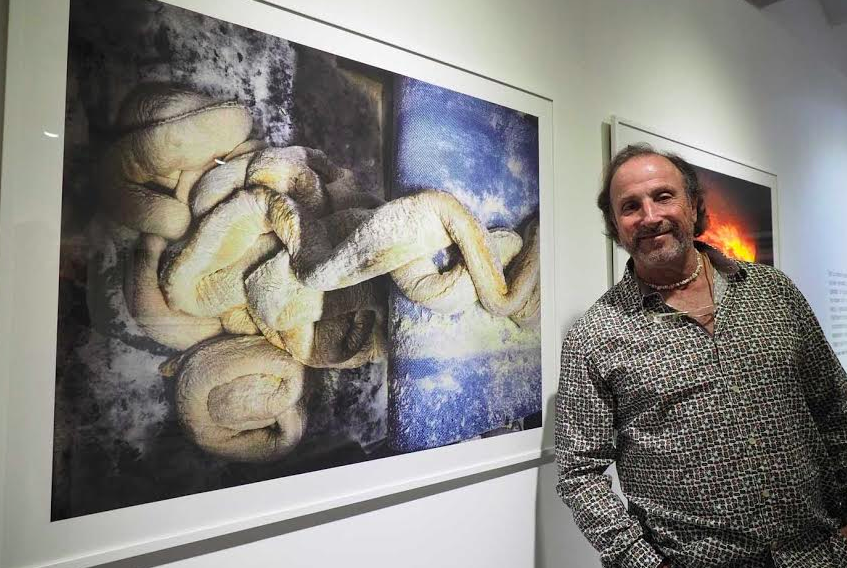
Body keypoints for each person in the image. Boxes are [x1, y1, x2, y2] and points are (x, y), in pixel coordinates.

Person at [556, 143, 847, 567]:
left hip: (819, 554)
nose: (650, 216)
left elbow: (835, 407)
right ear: (615, 225)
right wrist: (645, 563)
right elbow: (579, 472)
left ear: (693, 205)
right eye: (630, 206)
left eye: (663, 196)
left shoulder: (774, 291)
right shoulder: (594, 335)